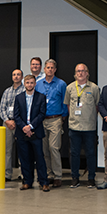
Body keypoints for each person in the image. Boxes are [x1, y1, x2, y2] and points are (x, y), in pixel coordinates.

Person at [64, 63, 100, 188]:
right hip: (74, 126)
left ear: (87, 73)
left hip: (89, 127)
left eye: (82, 71)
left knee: (90, 153)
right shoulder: (69, 88)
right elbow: (68, 105)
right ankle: (74, 177)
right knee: (74, 153)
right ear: (75, 73)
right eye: (78, 71)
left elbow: (97, 106)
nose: (80, 73)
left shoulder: (94, 88)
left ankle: (91, 178)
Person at [13, 74, 49, 191]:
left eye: (32, 83)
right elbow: (16, 115)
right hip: (22, 132)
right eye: (27, 83)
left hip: (36, 132)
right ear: (24, 84)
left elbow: (42, 114)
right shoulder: (18, 97)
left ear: (35, 84)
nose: (29, 85)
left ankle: (43, 182)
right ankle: (27, 181)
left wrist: (31, 127)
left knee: (39, 158)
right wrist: (24, 127)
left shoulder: (41, 97)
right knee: (24, 158)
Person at [35, 59, 67, 187]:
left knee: (54, 148)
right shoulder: (38, 84)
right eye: (47, 67)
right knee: (44, 150)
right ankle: (49, 174)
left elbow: (65, 102)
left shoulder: (61, 84)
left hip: (55, 119)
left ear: (55, 69)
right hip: (41, 120)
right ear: (44, 69)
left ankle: (58, 175)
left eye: (52, 68)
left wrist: (62, 118)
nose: (49, 70)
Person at [0, 69, 25, 182]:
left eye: (18, 75)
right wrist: (7, 121)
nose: (16, 76)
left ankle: (23, 174)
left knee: (22, 149)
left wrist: (18, 121)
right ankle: (7, 174)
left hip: (21, 124)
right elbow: (2, 108)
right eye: (14, 74)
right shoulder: (7, 91)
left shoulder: (25, 90)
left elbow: (26, 109)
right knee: (6, 150)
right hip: (7, 124)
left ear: (22, 77)